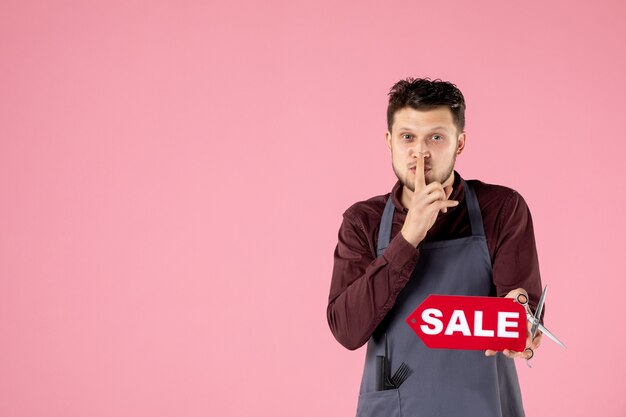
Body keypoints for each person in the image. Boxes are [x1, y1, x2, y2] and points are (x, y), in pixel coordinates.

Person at [326, 77, 544, 417]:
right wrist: (408, 238)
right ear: (390, 141)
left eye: (436, 137)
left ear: (460, 143)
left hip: (483, 406)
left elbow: (521, 307)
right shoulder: (362, 222)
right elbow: (348, 331)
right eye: (408, 137)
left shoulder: (500, 209)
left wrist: (523, 317)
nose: (421, 152)